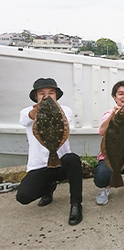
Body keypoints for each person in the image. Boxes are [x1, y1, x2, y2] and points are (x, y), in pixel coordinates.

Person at [17, 78, 83, 226]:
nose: (46, 96)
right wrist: (34, 112)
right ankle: (48, 188)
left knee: (72, 159)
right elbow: (25, 119)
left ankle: (76, 205)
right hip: (39, 166)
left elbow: (65, 117)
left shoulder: (65, 110)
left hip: (61, 163)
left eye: (51, 93)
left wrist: (46, 110)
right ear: (36, 96)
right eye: (42, 93)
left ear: (56, 95)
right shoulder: (27, 111)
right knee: (23, 196)